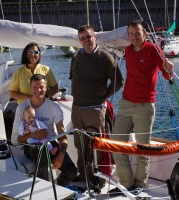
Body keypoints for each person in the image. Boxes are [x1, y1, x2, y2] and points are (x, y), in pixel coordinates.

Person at [109, 20, 174, 196]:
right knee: (116, 145)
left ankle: (140, 184)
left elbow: (167, 75)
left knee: (142, 148)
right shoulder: (128, 50)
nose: (134, 37)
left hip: (145, 106)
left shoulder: (153, 49)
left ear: (144, 34)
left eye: (137, 33)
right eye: (131, 34)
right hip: (126, 104)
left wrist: (169, 68)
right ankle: (126, 183)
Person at [69, 24, 124, 186]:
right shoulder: (77, 56)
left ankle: (101, 179)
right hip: (77, 108)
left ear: (95, 37)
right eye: (82, 38)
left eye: (88, 37)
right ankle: (85, 174)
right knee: (80, 144)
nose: (86, 40)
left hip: (95, 109)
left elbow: (119, 82)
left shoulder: (106, 58)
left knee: (97, 145)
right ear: (79, 41)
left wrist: (103, 97)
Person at [11, 74, 77, 186]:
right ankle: (42, 189)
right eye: (35, 87)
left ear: (46, 88)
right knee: (41, 152)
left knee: (72, 171)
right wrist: (33, 135)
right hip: (31, 146)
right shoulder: (21, 108)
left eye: (41, 87)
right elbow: (14, 140)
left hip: (50, 144)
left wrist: (61, 154)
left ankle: (56, 189)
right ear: (30, 88)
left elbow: (62, 135)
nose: (38, 90)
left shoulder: (54, 108)